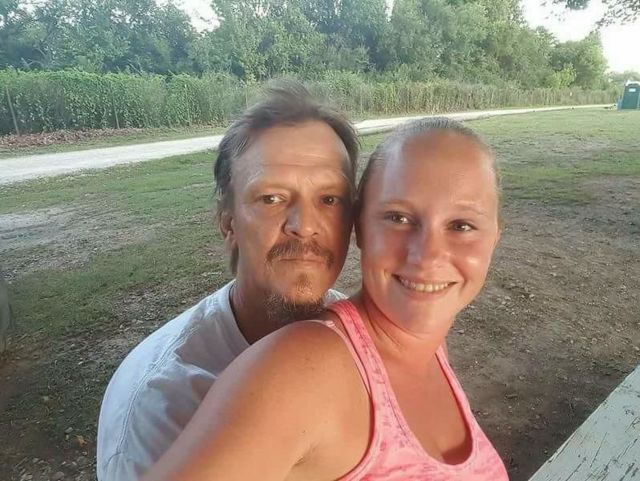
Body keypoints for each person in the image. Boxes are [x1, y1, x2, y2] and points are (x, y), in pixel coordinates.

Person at [142, 117, 509, 480]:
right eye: (398, 218)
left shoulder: (428, 346)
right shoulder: (301, 371)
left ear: (495, 236)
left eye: (462, 226)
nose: (426, 256)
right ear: (359, 227)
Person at [96, 82, 360, 480]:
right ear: (228, 223)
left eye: (330, 199)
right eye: (271, 198)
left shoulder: (356, 338)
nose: (305, 226)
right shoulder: (166, 404)